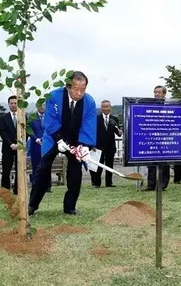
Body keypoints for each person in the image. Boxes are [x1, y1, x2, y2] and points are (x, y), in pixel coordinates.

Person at [29, 71, 96, 216]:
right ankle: (32, 205)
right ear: (68, 86)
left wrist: (84, 146)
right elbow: (50, 120)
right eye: (75, 89)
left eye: (82, 90)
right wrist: (59, 139)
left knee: (75, 172)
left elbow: (88, 126)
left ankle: (70, 207)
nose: (79, 93)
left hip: (76, 139)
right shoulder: (54, 96)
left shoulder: (89, 102)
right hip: (54, 136)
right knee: (43, 169)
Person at [145, 85, 171, 191]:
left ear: (164, 94)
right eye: (155, 92)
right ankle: (151, 185)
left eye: (159, 92)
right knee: (151, 163)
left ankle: (163, 184)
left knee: (165, 163)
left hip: (165, 139)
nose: (156, 94)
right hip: (152, 139)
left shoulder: (169, 107)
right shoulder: (149, 106)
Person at [94, 99, 122, 188]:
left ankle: (109, 183)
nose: (105, 108)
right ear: (101, 108)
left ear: (110, 108)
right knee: (99, 165)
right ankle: (97, 183)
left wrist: (120, 131)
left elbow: (118, 133)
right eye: (103, 107)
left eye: (107, 106)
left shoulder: (114, 119)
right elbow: (92, 133)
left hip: (110, 146)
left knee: (110, 165)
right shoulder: (96, 119)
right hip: (98, 146)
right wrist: (92, 145)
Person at [0, 96, 20, 194]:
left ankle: (17, 189)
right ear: (8, 104)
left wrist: (20, 144)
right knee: (6, 170)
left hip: (20, 148)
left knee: (19, 170)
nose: (13, 105)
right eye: (11, 103)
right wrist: (11, 144)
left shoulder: (23, 116)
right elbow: (2, 132)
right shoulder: (3, 117)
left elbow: (26, 132)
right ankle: (5, 190)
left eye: (15, 103)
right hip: (7, 148)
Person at [29, 104, 50, 191]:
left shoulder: (50, 116)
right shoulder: (32, 117)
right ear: (37, 107)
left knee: (47, 165)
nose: (42, 107)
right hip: (35, 145)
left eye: (44, 106)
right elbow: (29, 130)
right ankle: (35, 185)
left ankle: (48, 186)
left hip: (47, 144)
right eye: (40, 106)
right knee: (36, 165)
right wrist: (35, 138)